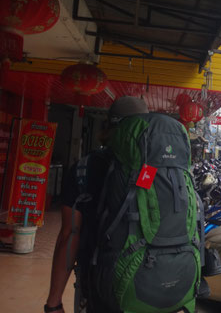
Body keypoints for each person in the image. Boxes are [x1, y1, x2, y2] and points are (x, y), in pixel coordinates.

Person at [45, 96, 149, 313]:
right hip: (149, 286)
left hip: (97, 286)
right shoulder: (154, 170)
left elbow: (70, 234)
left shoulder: (85, 168)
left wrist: (53, 302)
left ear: (109, 126)